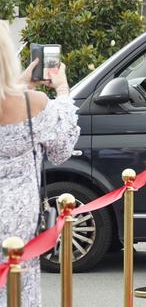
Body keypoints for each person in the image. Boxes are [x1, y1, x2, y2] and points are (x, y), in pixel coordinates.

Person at [0, 21, 80, 306]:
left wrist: (19, 83)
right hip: (19, 213)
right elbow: (61, 148)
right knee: (21, 286)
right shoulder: (33, 103)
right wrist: (62, 90)